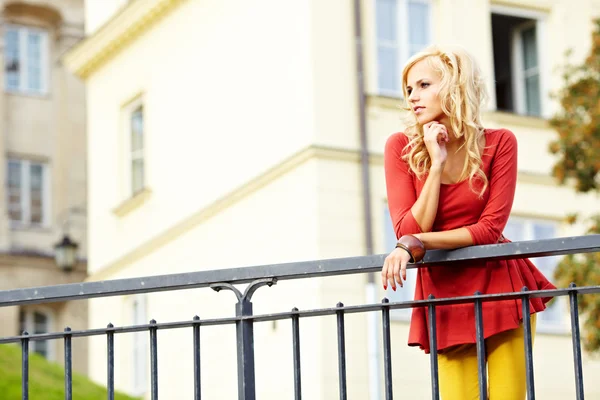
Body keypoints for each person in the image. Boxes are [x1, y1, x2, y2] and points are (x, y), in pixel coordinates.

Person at [381, 44, 556, 400]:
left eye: (424, 85)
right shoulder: (400, 147)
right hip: (444, 296)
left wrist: (420, 244)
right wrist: (436, 164)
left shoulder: (499, 142)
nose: (413, 96)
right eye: (409, 89)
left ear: (455, 86)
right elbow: (407, 230)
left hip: (502, 287)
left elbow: (489, 229)